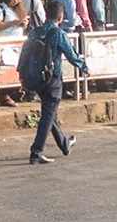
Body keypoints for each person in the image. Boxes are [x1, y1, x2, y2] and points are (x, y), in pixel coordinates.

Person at [26, 22, 87, 165]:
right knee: (48, 115)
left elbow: (26, 52)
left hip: (37, 78)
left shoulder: (35, 32)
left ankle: (64, 144)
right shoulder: (58, 34)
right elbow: (71, 54)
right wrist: (84, 67)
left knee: (49, 113)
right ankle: (36, 151)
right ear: (60, 17)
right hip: (53, 79)